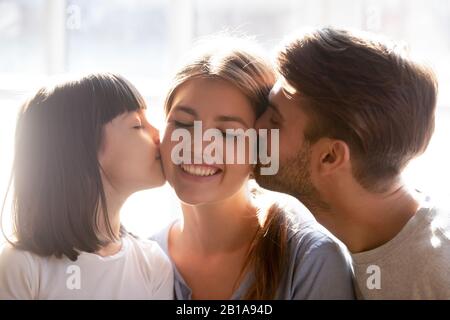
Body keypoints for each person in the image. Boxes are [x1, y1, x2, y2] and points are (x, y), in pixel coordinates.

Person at [151, 38, 355, 300]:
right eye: (182, 123)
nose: (199, 145)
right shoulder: (139, 259)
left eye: (227, 133)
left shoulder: (312, 260)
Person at [255, 27, 450, 299]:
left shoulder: (436, 275)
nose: (254, 127)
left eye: (275, 121)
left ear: (330, 157)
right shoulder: (332, 245)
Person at [0, 73, 173, 299]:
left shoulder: (153, 264)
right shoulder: (21, 266)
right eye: (137, 125)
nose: (159, 134)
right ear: (83, 149)